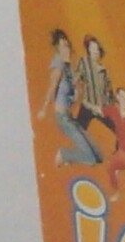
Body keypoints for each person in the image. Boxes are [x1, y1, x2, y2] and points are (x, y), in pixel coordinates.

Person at [36, 29, 100, 167]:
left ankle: (69, 158)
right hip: (62, 118)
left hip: (69, 117)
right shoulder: (58, 64)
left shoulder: (68, 68)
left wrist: (80, 88)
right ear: (58, 48)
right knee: (90, 159)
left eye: (68, 45)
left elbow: (75, 97)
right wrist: (43, 109)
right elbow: (52, 87)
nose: (67, 49)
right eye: (63, 46)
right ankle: (64, 154)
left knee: (98, 156)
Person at [74, 35, 116, 141]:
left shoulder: (103, 70)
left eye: (97, 48)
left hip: (100, 107)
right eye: (92, 48)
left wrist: (110, 105)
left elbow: (109, 91)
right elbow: (76, 79)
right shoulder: (84, 62)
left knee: (117, 128)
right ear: (88, 49)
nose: (95, 51)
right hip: (88, 106)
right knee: (78, 133)